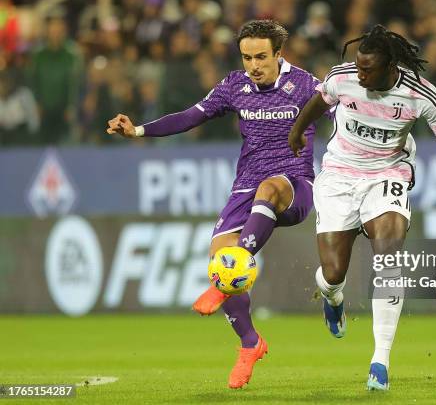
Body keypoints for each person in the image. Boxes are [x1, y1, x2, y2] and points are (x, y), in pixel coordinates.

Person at [107, 20, 320, 389]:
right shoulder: (234, 85)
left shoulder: (306, 85)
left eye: (261, 57)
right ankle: (250, 343)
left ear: (279, 54)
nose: (254, 65)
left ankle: (225, 284)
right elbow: (191, 116)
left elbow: (346, 116)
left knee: (268, 191)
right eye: (247, 57)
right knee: (217, 258)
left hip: (294, 184)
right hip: (246, 186)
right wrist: (138, 130)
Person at [288, 24, 436, 391]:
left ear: (390, 67)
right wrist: (297, 133)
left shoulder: (421, 94)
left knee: (387, 259)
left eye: (367, 69)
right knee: (333, 273)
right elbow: (317, 103)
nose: (360, 74)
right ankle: (331, 296)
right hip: (339, 174)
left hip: (388, 174)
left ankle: (380, 363)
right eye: (358, 66)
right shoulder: (343, 79)